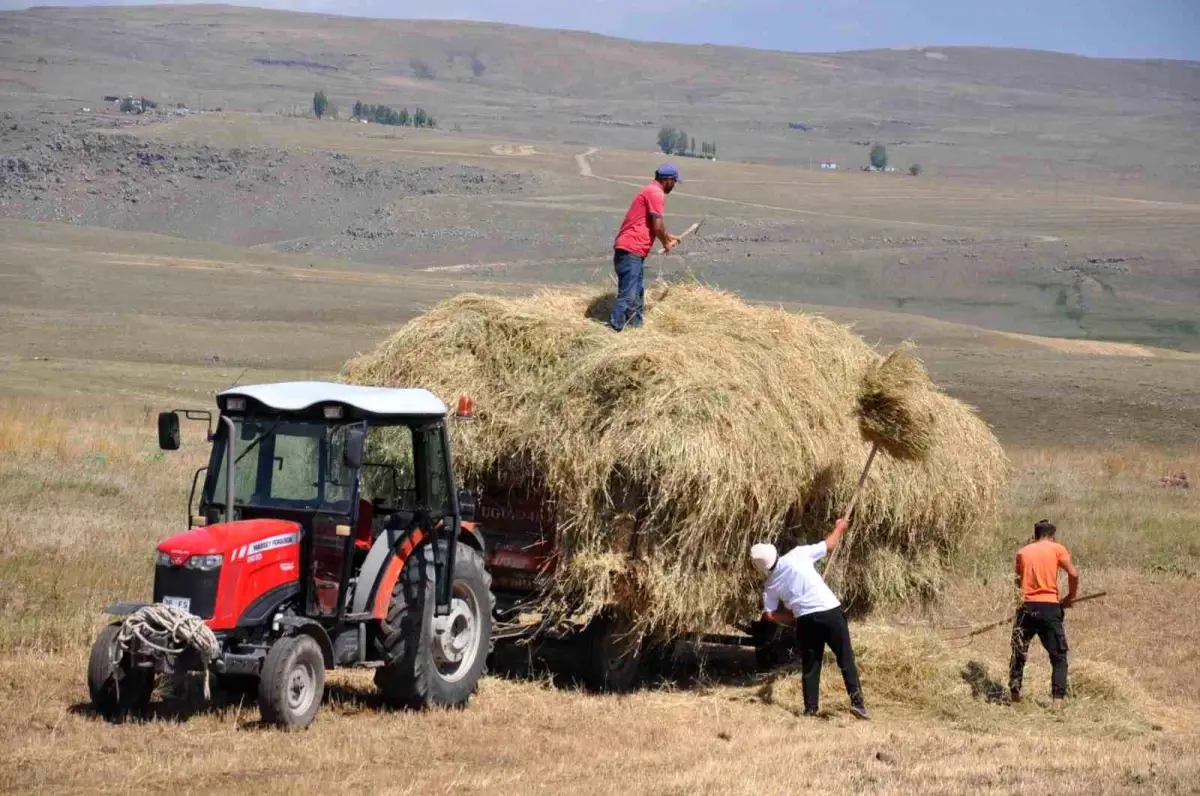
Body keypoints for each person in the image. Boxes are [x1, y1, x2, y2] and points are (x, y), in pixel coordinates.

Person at [750, 518, 867, 719]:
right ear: (775, 551)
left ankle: (810, 709)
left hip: (805, 620)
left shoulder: (770, 585)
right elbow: (829, 545)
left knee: (811, 665)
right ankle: (857, 704)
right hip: (829, 611)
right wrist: (840, 527)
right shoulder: (797, 554)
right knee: (845, 658)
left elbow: (769, 614)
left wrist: (792, 615)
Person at [1009, 519, 1079, 707]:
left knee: (1019, 650)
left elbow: (1018, 582)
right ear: (1052, 535)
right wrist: (1070, 597)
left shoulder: (1022, 552)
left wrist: (1020, 604)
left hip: (1026, 607)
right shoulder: (1057, 549)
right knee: (1058, 656)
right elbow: (1073, 573)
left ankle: (1015, 694)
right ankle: (1057, 701)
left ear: (1035, 535)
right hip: (1049, 607)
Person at [609, 165, 681, 331]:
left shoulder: (650, 191)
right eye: (674, 182)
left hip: (634, 251)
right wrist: (665, 243)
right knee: (628, 295)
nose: (674, 185)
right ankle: (614, 329)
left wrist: (668, 236)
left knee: (638, 293)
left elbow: (653, 224)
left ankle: (636, 330)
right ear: (668, 180)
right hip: (630, 250)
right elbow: (657, 226)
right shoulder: (656, 193)